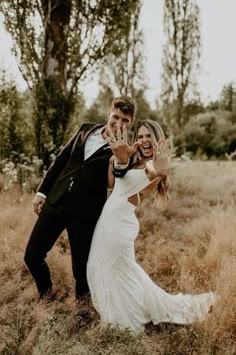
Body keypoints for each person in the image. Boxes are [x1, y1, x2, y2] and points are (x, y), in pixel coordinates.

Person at [87, 119, 216, 333]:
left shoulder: (151, 164)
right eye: (141, 136)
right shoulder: (131, 160)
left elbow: (158, 170)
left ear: (156, 139)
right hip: (107, 223)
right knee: (114, 270)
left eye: (149, 136)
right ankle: (122, 313)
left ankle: (124, 320)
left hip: (118, 227)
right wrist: (117, 159)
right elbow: (111, 184)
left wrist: (161, 166)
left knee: (118, 272)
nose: (144, 140)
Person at [24, 96, 138, 301]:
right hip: (55, 202)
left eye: (125, 120)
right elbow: (61, 160)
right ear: (109, 114)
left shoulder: (123, 151)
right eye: (116, 117)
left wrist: (121, 161)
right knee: (32, 256)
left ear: (131, 123)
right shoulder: (86, 129)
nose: (119, 123)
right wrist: (42, 192)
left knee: (82, 271)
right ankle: (46, 294)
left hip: (86, 215)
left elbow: (116, 180)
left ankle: (82, 312)